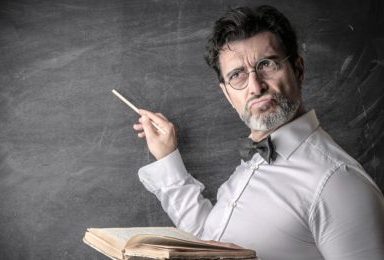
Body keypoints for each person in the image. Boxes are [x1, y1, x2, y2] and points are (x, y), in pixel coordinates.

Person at [132, 5, 384, 260]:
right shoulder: (253, 163)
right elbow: (209, 243)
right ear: (228, 95)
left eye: (266, 65)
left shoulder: (338, 183)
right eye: (237, 75)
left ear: (298, 71)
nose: (255, 86)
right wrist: (168, 158)